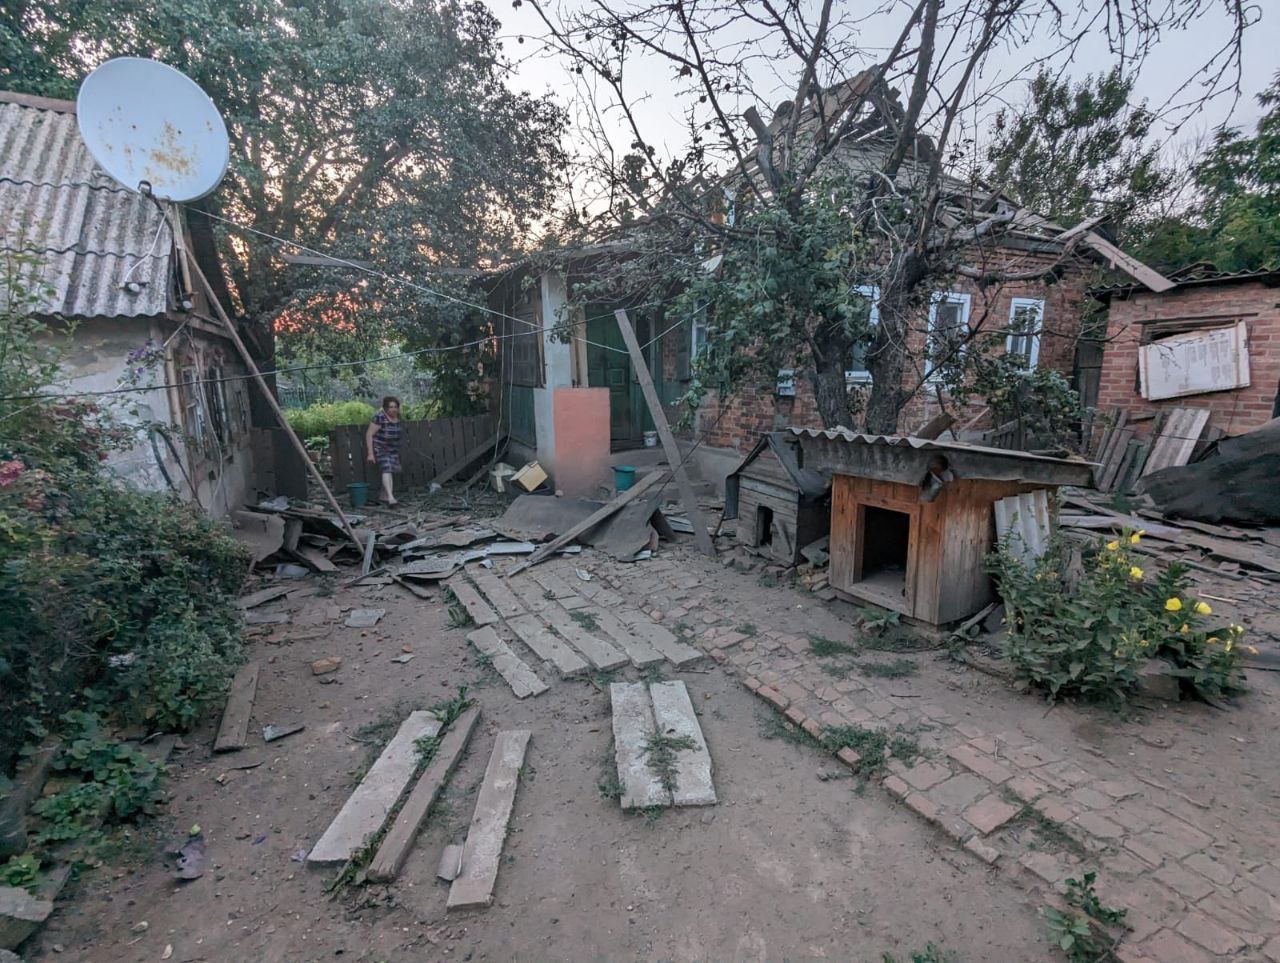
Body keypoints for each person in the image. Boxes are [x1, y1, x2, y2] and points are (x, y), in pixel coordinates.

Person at [365, 396, 403, 506]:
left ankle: (383, 495)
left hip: (393, 449)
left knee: (393, 471)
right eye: (391, 407)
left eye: (395, 407)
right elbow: (369, 434)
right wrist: (370, 454)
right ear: (385, 408)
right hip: (381, 448)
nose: (393, 409)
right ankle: (391, 498)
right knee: (387, 469)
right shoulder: (379, 417)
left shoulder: (397, 417)